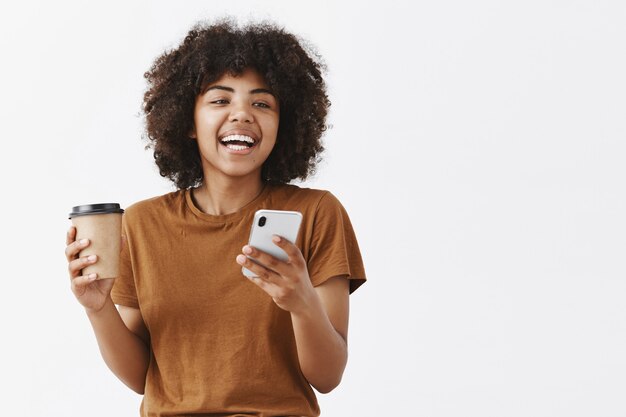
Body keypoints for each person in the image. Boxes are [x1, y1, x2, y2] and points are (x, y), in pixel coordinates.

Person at [65, 18, 366, 417]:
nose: (241, 115)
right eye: (220, 100)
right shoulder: (141, 224)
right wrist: (97, 308)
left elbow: (327, 377)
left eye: (262, 103)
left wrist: (302, 302)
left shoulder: (315, 213)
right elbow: (143, 377)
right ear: (188, 122)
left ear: (283, 123)